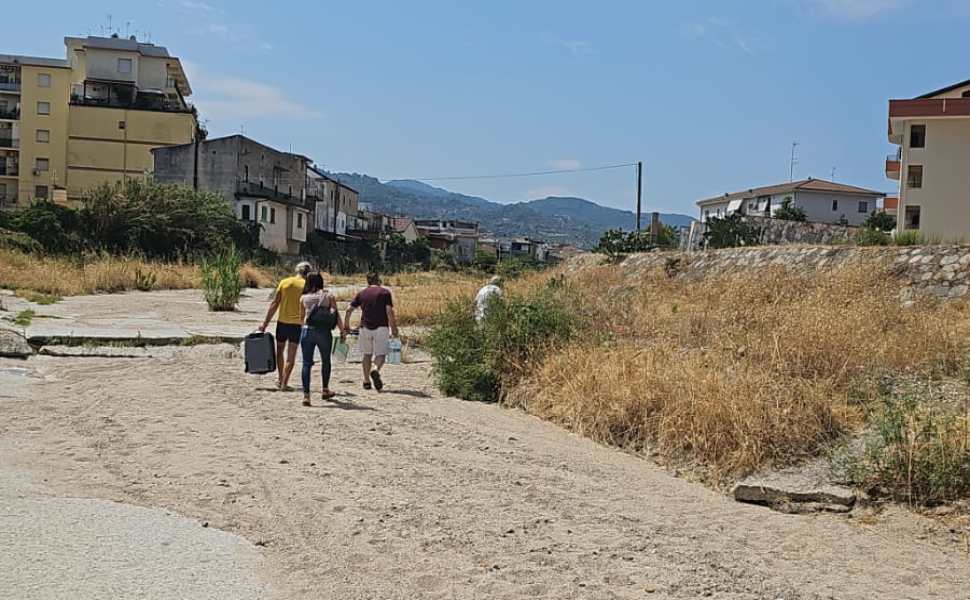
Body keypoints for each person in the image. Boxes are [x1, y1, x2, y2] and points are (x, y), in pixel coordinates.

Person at [259, 261, 312, 391]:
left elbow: (275, 303)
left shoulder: (285, 282)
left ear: (297, 271)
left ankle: (280, 378)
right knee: (291, 356)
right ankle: (285, 383)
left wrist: (265, 323)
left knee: (280, 351)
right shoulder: (307, 285)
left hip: (282, 322)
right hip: (296, 324)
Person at [345, 272, 398, 391]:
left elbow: (349, 310)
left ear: (368, 281)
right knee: (381, 354)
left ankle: (366, 381)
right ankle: (375, 369)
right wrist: (394, 329)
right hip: (381, 327)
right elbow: (389, 311)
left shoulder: (362, 293)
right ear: (378, 280)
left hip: (365, 327)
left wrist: (346, 326)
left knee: (366, 354)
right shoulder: (385, 292)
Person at [298, 272, 344, 406]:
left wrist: (302, 331)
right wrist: (342, 331)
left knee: (306, 364)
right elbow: (336, 315)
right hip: (324, 332)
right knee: (326, 361)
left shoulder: (303, 298)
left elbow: (301, 319)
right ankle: (325, 389)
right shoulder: (328, 295)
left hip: (307, 331)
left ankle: (306, 396)